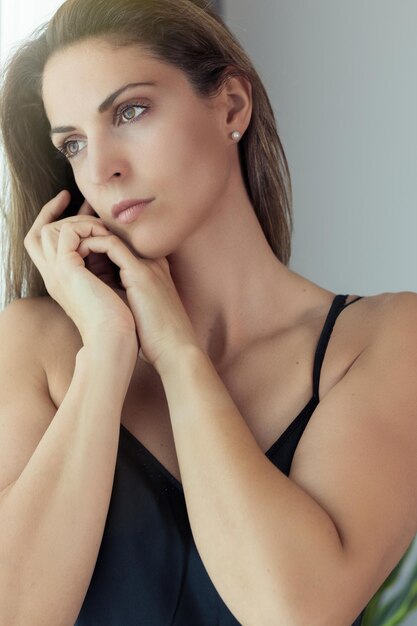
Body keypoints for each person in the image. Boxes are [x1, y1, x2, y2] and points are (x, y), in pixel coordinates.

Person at [0, 0, 416, 624]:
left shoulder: (385, 340)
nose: (103, 168)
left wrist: (178, 352)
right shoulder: (35, 345)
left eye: (130, 111)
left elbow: (293, 613)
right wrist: (108, 352)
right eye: (75, 144)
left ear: (231, 106)